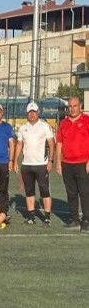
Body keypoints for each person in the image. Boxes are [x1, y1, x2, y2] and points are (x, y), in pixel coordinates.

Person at [13, 101, 56, 225]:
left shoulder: (44, 126)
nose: (32, 114)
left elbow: (51, 143)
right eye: (30, 112)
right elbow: (19, 144)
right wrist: (15, 161)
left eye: (34, 112)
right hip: (27, 165)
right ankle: (31, 216)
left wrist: (50, 161)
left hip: (41, 165)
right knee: (29, 191)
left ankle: (47, 217)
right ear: (27, 113)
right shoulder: (22, 128)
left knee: (45, 191)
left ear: (38, 112)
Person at [55, 96, 89, 230]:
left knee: (85, 192)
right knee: (71, 193)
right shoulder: (63, 123)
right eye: (70, 106)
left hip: (83, 163)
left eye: (75, 106)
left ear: (80, 106)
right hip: (67, 164)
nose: (72, 109)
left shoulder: (87, 121)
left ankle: (86, 220)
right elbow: (59, 143)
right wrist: (58, 162)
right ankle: (74, 219)